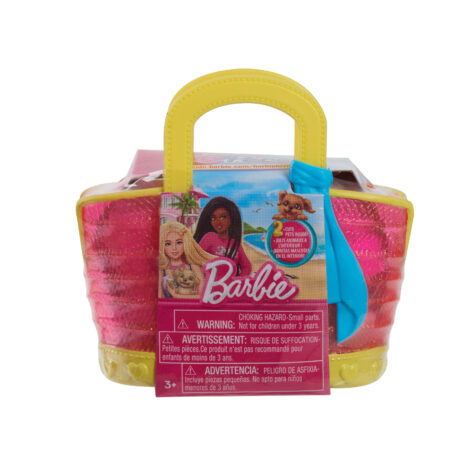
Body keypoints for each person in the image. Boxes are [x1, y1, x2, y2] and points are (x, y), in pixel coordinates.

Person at [194, 196, 252, 276]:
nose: (218, 222)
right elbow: (195, 259)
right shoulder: (210, 237)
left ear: (231, 218)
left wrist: (237, 280)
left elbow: (247, 266)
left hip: (231, 283)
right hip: (212, 282)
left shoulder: (235, 243)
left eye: (223, 217)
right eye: (213, 218)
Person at [159, 221, 213, 298]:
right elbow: (159, 297)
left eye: (179, 243)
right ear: (162, 245)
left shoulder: (194, 267)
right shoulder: (162, 270)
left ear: (186, 243)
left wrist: (176, 295)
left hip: (190, 305)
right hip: (168, 306)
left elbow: (203, 296)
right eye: (168, 244)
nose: (174, 248)